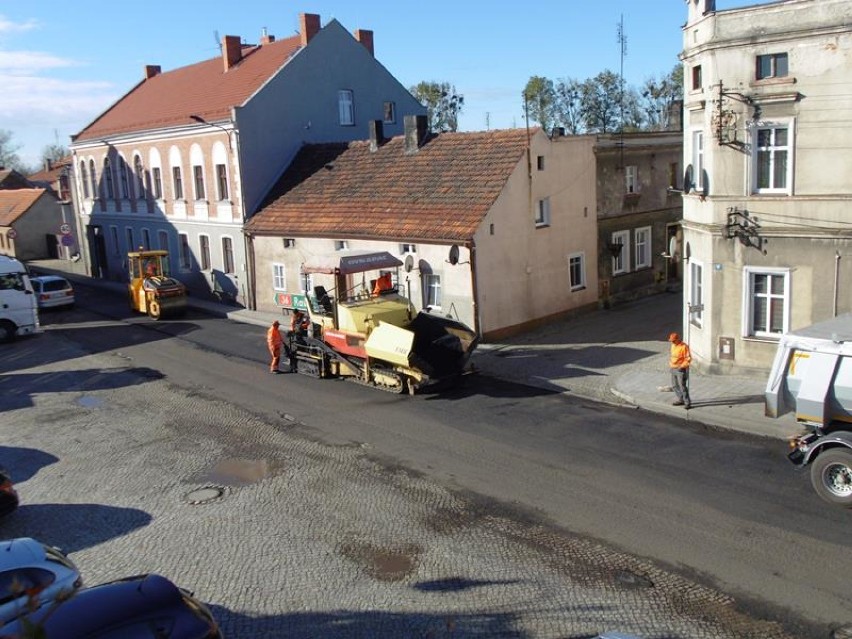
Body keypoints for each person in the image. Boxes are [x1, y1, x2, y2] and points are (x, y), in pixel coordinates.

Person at [668, 332, 692, 409]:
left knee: (682, 386)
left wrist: (682, 366)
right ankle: (681, 399)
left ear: (678, 339)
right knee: (674, 386)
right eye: (671, 341)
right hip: (673, 368)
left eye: (673, 340)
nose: (672, 342)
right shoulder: (673, 345)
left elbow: (688, 359)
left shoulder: (684, 347)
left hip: (680, 369)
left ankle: (687, 402)